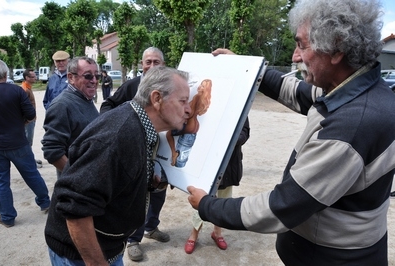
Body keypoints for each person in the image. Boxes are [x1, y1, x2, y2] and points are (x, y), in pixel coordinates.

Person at [187, 0, 395, 265]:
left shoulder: (352, 125)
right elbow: (297, 93)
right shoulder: (356, 91)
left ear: (337, 48)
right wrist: (249, 70)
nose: (295, 56)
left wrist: (208, 205)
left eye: (301, 44)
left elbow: (282, 206)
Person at [45, 66, 191, 265]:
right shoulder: (118, 137)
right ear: (157, 99)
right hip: (81, 254)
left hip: (108, 246)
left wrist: (149, 182)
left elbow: (117, 178)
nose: (189, 109)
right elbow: (75, 207)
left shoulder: (140, 127)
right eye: (183, 101)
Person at [100, 47, 168, 262]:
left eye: (157, 62)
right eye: (148, 61)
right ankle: (133, 240)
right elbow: (107, 105)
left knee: (159, 194)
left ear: (163, 65)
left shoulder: (170, 88)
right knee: (138, 198)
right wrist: (118, 133)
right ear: (141, 64)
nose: (152, 66)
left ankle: (151, 227)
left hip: (163, 154)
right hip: (138, 154)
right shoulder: (132, 86)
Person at [0, 58, 50, 228]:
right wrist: (22, 122)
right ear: (5, 73)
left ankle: (7, 217)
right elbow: (31, 113)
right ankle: (45, 202)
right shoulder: (17, 91)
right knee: (31, 174)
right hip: (18, 141)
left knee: (1, 182)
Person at [184, 117, 250, 254]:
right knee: (201, 197)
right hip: (209, 159)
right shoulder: (212, 100)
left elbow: (245, 132)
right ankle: (194, 234)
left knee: (223, 200)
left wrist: (232, 139)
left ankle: (217, 233)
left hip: (229, 162)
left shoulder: (241, 102)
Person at [41, 56, 99, 179]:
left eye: (97, 76)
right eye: (88, 76)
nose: (94, 80)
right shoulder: (61, 105)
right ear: (71, 78)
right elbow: (52, 151)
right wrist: (77, 176)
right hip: (78, 185)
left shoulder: (84, 99)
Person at [21, 69, 42, 168]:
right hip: (28, 121)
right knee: (27, 141)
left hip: (31, 119)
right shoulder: (25, 90)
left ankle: (30, 159)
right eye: (33, 77)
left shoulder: (28, 88)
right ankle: (29, 162)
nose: (35, 78)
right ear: (27, 78)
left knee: (29, 141)